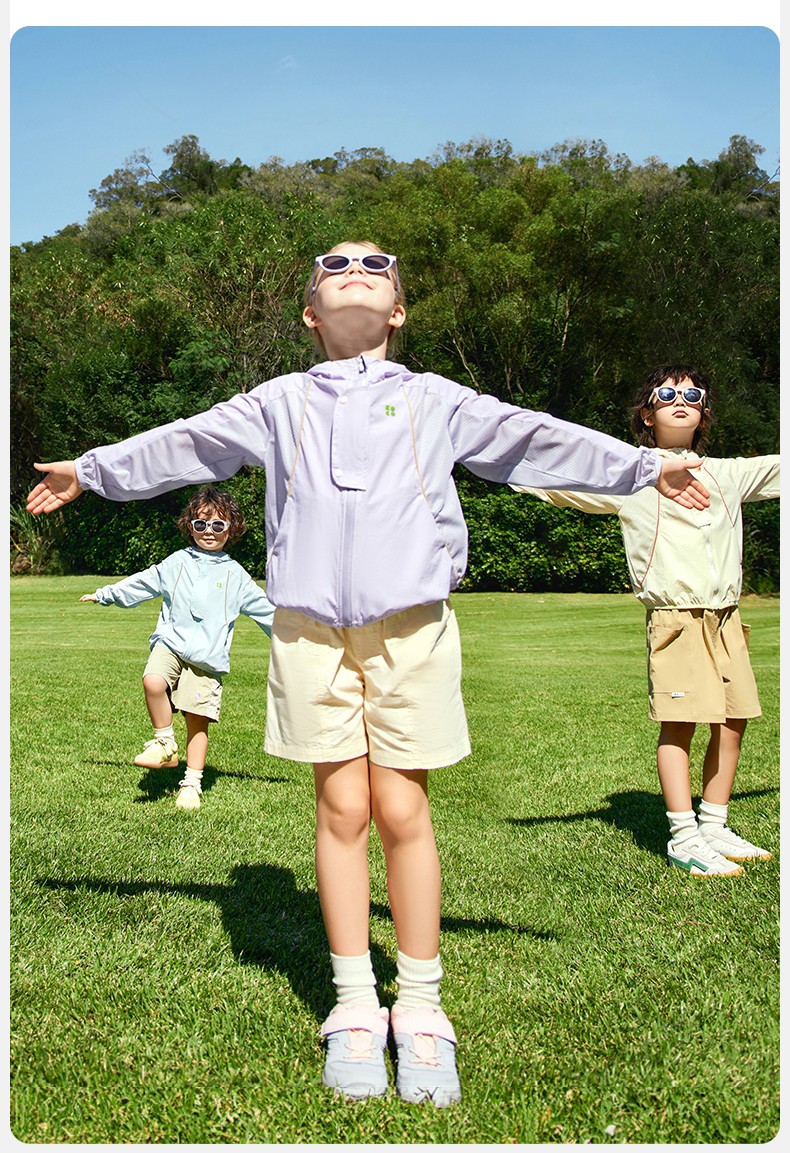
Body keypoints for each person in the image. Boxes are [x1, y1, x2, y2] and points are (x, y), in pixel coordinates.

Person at [28, 243, 711, 1106]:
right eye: (336, 265)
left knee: (402, 807)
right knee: (342, 807)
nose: (356, 265)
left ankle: (420, 1007)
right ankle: (354, 1004)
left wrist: (645, 464)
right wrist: (91, 470)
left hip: (412, 628)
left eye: (376, 266)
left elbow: (534, 436)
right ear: (310, 314)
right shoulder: (277, 402)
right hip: (309, 632)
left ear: (398, 311)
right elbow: (186, 441)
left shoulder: (436, 399)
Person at [511, 365, 779, 877]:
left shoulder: (729, 474)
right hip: (675, 618)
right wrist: (498, 458)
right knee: (680, 724)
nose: (681, 400)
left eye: (693, 395)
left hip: (726, 616)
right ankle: (683, 836)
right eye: (667, 394)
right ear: (648, 414)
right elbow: (559, 477)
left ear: (704, 414)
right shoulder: (630, 478)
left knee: (732, 721)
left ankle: (714, 825)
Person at [80, 486, 274, 810]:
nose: (209, 531)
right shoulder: (178, 562)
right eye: (201, 524)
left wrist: (300, 640)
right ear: (190, 527)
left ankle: (192, 784)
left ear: (231, 529)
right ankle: (164, 742)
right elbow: (144, 582)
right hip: (170, 644)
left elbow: (267, 612)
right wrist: (106, 594)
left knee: (197, 720)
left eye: (218, 525)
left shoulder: (237, 576)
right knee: (153, 681)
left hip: (206, 660)